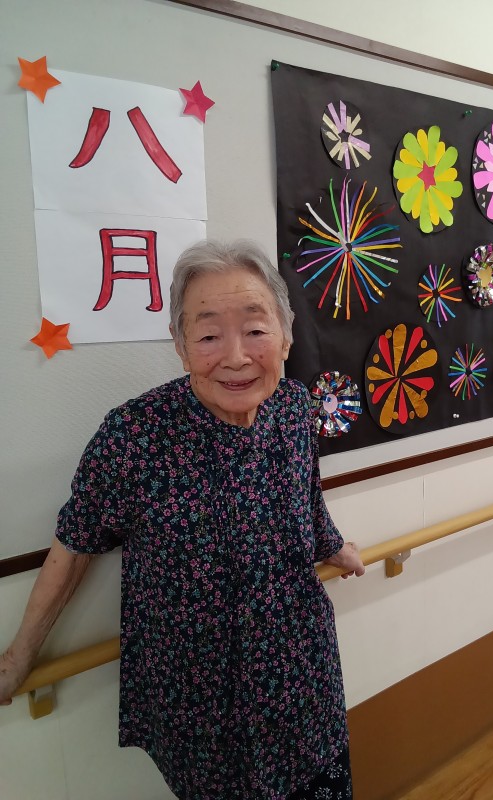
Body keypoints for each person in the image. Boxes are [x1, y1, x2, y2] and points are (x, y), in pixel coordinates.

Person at [0, 240, 365, 799]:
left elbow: (304, 496)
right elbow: (74, 546)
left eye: (256, 329)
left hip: (301, 674)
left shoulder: (294, 407)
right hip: (201, 704)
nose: (236, 357)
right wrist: (19, 655)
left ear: (286, 336)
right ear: (180, 345)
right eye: (209, 335)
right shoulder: (134, 435)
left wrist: (334, 546)